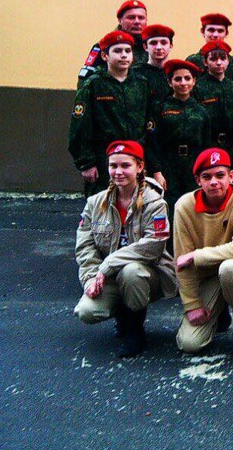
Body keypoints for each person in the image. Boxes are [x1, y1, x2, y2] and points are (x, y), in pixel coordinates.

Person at [74, 141, 177, 357]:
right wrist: (91, 278)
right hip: (109, 277)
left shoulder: (154, 202)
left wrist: (108, 264)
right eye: (113, 166)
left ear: (139, 167)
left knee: (131, 272)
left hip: (147, 274)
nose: (118, 172)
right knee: (86, 311)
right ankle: (122, 313)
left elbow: (154, 245)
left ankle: (135, 330)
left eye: (125, 165)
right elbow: (85, 247)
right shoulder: (95, 203)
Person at [174, 148, 233, 361]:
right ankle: (219, 312)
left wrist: (196, 256)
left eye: (220, 175)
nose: (214, 182)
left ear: (231, 176)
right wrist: (192, 305)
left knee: (229, 268)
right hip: (207, 273)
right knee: (190, 343)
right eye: (207, 177)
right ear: (198, 180)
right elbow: (181, 261)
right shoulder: (183, 206)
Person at [69, 30, 154, 197]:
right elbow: (80, 127)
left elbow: (149, 123)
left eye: (128, 51)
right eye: (117, 51)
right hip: (104, 159)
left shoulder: (141, 84)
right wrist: (86, 164)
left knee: (136, 204)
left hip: (135, 156)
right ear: (104, 56)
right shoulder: (93, 85)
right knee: (102, 205)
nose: (124, 55)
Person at [146, 59, 211, 212]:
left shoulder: (201, 111)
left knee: (193, 208)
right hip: (168, 165)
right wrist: (157, 171)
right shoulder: (160, 108)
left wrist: (205, 171)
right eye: (178, 79)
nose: (183, 83)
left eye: (187, 78)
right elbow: (151, 142)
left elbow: (206, 144)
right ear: (170, 82)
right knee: (168, 208)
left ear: (194, 81)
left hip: (193, 166)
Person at [192, 40, 233, 153]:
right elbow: (195, 123)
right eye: (213, 59)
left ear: (228, 61)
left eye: (223, 59)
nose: (219, 63)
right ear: (205, 62)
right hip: (207, 147)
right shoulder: (197, 88)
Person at [78, 0, 149, 87]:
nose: (137, 22)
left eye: (141, 18)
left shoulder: (152, 46)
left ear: (146, 20)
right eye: (131, 17)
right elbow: (85, 79)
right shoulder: (104, 45)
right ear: (120, 20)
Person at [186, 13, 233, 83]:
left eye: (220, 31)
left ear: (226, 33)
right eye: (211, 30)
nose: (215, 35)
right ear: (202, 32)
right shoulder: (192, 62)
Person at [132, 24, 175, 106]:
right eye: (153, 43)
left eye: (164, 43)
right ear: (145, 47)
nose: (158, 47)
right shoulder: (135, 73)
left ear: (171, 46)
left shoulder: (176, 72)